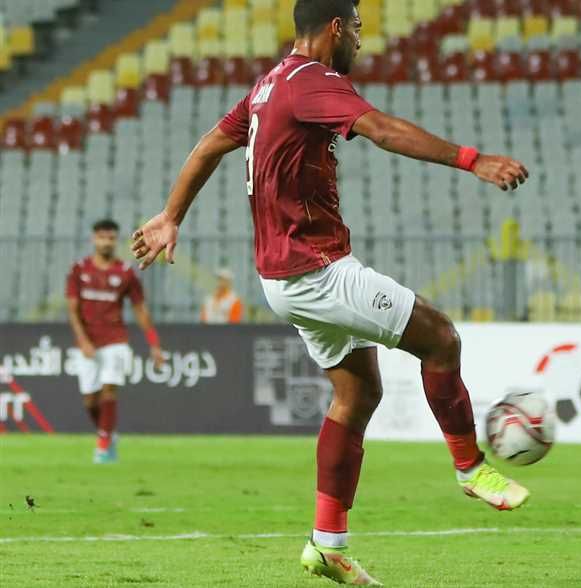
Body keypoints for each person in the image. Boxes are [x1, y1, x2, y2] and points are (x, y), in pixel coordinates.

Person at [130, 0, 530, 583]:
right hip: (316, 271)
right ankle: (471, 468)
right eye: (359, 28)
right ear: (336, 27)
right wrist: (474, 160)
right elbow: (382, 130)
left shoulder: (268, 85)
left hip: (283, 276)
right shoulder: (312, 81)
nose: (361, 41)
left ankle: (327, 544)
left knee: (358, 393)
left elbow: (210, 144)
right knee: (441, 340)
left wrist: (172, 215)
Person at [66, 218, 165, 464]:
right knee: (90, 399)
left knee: (109, 388)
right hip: (88, 342)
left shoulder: (126, 272)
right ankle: (108, 433)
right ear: (94, 239)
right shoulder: (79, 270)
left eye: (111, 238)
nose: (106, 242)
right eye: (102, 237)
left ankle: (103, 446)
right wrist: (83, 341)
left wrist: (154, 344)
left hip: (115, 339)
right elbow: (73, 310)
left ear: (116, 240)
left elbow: (140, 310)